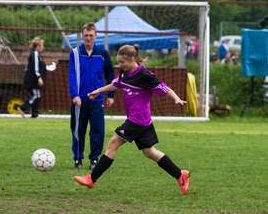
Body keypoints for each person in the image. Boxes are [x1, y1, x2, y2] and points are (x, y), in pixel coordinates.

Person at [74, 44, 190, 195]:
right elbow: (115, 84)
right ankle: (180, 175)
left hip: (137, 120)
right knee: (149, 152)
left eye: (122, 62)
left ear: (132, 59)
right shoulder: (124, 73)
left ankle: (91, 179)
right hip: (142, 121)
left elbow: (164, 87)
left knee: (112, 143)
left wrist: (176, 99)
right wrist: (99, 91)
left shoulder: (145, 76)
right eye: (119, 62)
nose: (119, 65)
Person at [68, 22, 115, 170]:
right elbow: (71, 75)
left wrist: (111, 95)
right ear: (82, 36)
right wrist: (75, 95)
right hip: (79, 101)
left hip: (97, 99)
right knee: (77, 130)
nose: (88, 38)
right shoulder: (74, 53)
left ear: (96, 36)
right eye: (86, 35)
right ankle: (78, 159)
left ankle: (94, 160)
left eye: (91, 35)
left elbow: (110, 73)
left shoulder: (102, 53)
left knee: (97, 130)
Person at [17, 37, 46, 118]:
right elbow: (35, 67)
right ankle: (22, 108)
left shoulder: (37, 55)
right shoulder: (35, 54)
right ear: (37, 46)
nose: (43, 47)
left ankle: (34, 115)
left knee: (38, 96)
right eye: (42, 45)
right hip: (33, 80)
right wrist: (39, 77)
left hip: (33, 80)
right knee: (36, 96)